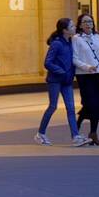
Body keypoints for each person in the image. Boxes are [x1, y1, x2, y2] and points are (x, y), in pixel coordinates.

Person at [36, 18, 86, 146]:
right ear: (65, 30)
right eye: (72, 26)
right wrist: (61, 71)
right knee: (53, 106)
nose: (74, 27)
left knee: (71, 108)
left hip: (67, 81)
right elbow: (47, 62)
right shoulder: (57, 44)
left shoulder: (71, 42)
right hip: (55, 80)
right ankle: (40, 133)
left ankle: (75, 136)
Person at [72, 13, 99, 146]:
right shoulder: (76, 39)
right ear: (80, 25)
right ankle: (75, 129)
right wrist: (87, 67)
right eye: (85, 22)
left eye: (90, 22)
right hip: (84, 75)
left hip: (97, 74)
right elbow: (74, 58)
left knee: (98, 104)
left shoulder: (97, 37)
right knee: (88, 104)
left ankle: (93, 133)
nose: (88, 24)